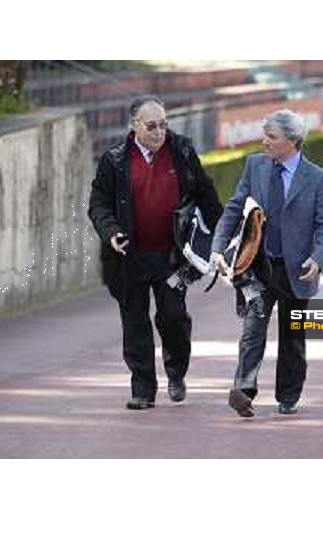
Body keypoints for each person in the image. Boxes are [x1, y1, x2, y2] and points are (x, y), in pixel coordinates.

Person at [88, 95, 222, 410]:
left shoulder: (183, 151)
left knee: (173, 316)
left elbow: (207, 196)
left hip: (174, 258)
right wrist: (111, 234)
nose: (160, 132)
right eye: (152, 126)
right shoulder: (115, 160)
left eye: (163, 124)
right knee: (135, 322)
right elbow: (98, 204)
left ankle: (176, 373)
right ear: (134, 127)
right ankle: (143, 389)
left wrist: (217, 241)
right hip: (129, 258)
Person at [211, 109, 323, 417]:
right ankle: (243, 390)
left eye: (272, 137)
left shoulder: (320, 180)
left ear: (292, 141)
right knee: (253, 328)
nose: (264, 142)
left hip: (298, 270)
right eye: (265, 135)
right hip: (259, 266)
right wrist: (217, 248)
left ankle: (289, 395)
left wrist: (318, 259)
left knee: (292, 337)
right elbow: (234, 207)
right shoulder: (255, 166)